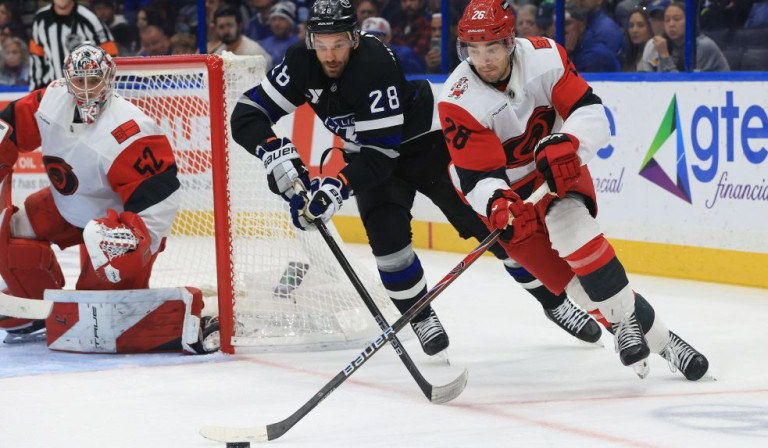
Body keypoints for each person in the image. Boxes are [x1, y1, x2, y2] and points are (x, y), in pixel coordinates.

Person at [230, 0, 603, 357]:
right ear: (310, 39)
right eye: (322, 45)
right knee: (389, 248)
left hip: (426, 146)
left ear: (354, 39)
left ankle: (553, 301)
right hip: (368, 154)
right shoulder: (300, 62)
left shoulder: (374, 64)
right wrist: (272, 151)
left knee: (498, 229)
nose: (329, 55)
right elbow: (247, 114)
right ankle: (421, 317)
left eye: (339, 44)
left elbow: (382, 154)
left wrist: (336, 186)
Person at [437, 0, 709, 380]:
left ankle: (636, 331)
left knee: (573, 229)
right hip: (508, 193)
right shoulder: (456, 98)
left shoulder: (545, 57)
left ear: (511, 42)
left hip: (554, 166)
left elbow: (590, 110)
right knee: (578, 290)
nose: (483, 59)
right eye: (473, 49)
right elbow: (476, 175)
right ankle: (661, 339)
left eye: (492, 48)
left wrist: (569, 141)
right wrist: (496, 202)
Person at [0, 43, 212, 354]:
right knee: (7, 228)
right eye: (79, 81)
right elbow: (8, 126)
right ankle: (35, 310)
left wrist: (132, 243)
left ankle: (122, 290)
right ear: (67, 79)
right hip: (66, 206)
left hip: (114, 228)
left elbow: (159, 200)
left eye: (94, 80)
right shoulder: (51, 99)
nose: (86, 90)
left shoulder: (131, 129)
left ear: (109, 78)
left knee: (95, 311)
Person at [29, 0, 119, 90]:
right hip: (54, 92)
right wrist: (35, 92)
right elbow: (36, 60)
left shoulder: (89, 19)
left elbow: (111, 58)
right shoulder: (40, 20)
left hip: (87, 92)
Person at [638, 1, 729, 72]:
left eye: (676, 19)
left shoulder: (702, 46)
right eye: (667, 20)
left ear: (690, 21)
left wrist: (664, 56)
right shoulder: (659, 44)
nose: (671, 24)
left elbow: (684, 86)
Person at [213, 5, 273, 70]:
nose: (226, 31)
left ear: (239, 26)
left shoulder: (254, 53)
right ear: (216, 29)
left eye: (230, 25)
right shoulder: (218, 55)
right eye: (221, 27)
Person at [565, 4, 621, 72]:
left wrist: (565, 55)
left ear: (582, 27)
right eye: (556, 24)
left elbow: (574, 81)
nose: (562, 29)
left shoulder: (595, 55)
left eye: (567, 23)